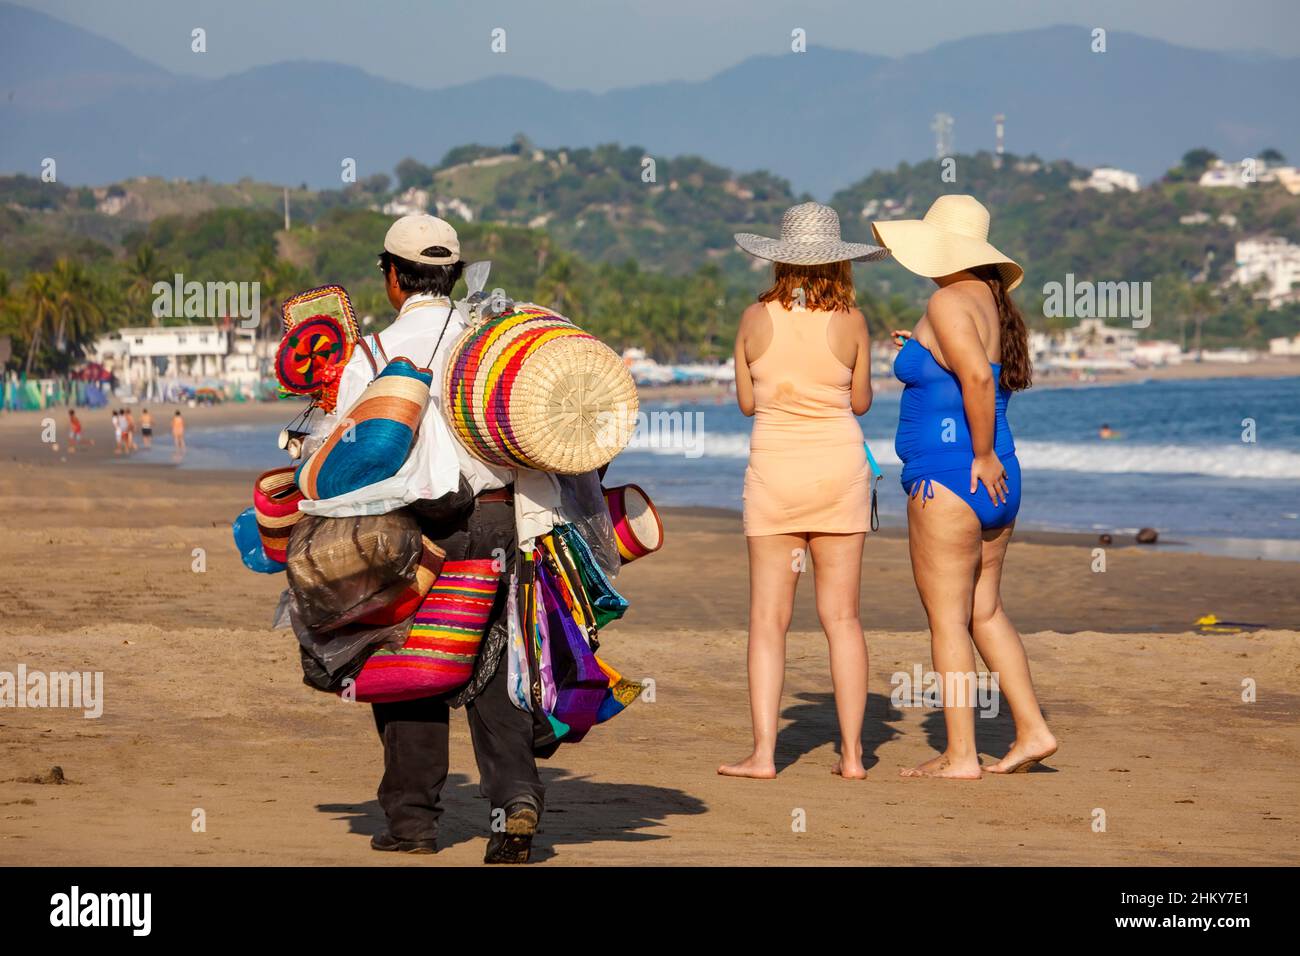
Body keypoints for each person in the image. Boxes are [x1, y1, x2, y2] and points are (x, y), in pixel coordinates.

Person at [329, 214, 543, 862]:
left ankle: (413, 822)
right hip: (497, 518)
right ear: (452, 276)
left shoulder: (367, 357)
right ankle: (515, 807)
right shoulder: (493, 341)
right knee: (496, 664)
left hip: (406, 530)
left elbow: (343, 460)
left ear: (393, 277)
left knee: (407, 666)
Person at [875, 194, 1057, 778]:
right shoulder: (990, 303)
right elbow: (969, 368)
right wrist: (920, 350)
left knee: (948, 620)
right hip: (999, 474)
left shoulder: (949, 299)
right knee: (986, 610)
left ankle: (961, 755)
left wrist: (976, 453)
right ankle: (1032, 730)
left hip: (952, 474)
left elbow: (976, 376)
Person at [719, 203, 887, 780]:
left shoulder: (751, 318)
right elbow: (860, 402)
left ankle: (765, 755)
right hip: (839, 470)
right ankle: (854, 756)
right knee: (842, 618)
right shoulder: (853, 321)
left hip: (776, 472)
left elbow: (747, 404)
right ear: (838, 262)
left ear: (778, 258)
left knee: (769, 619)